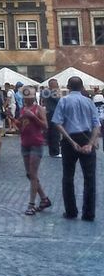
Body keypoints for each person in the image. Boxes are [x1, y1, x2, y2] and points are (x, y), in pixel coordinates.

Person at [52, 76, 100, 222]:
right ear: (82, 87)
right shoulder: (88, 101)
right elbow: (96, 125)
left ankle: (71, 211)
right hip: (86, 137)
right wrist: (91, 143)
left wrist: (71, 141)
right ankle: (88, 214)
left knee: (68, 176)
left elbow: (57, 123)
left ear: (68, 86)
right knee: (90, 178)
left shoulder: (64, 101)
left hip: (69, 139)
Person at [19, 87, 51, 215]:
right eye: (25, 97)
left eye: (29, 97)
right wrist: (13, 119)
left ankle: (31, 204)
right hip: (25, 143)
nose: (27, 99)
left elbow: (45, 126)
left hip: (36, 144)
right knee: (29, 174)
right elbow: (21, 126)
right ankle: (44, 199)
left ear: (33, 97)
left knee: (33, 174)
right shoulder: (22, 109)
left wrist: (33, 117)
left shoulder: (39, 109)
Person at [43, 79, 62, 157]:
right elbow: (59, 100)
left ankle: (52, 151)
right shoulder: (52, 92)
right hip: (54, 113)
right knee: (55, 133)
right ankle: (55, 152)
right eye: (56, 83)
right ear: (52, 84)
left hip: (49, 113)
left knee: (51, 133)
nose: (57, 84)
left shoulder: (45, 92)